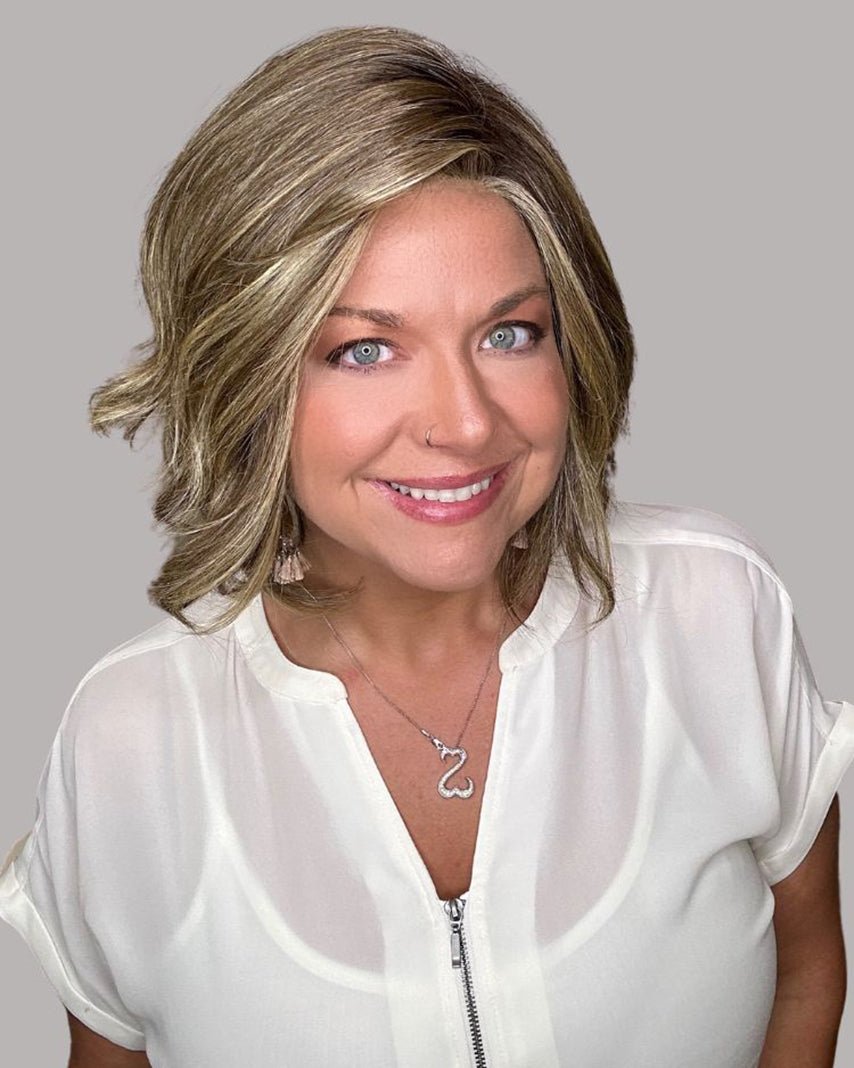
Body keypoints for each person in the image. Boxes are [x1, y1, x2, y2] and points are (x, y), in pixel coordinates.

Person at [0, 24, 851, 1068]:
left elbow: (807, 967)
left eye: (508, 334)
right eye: (366, 349)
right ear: (248, 374)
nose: (465, 421)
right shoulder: (129, 741)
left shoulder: (713, 613)